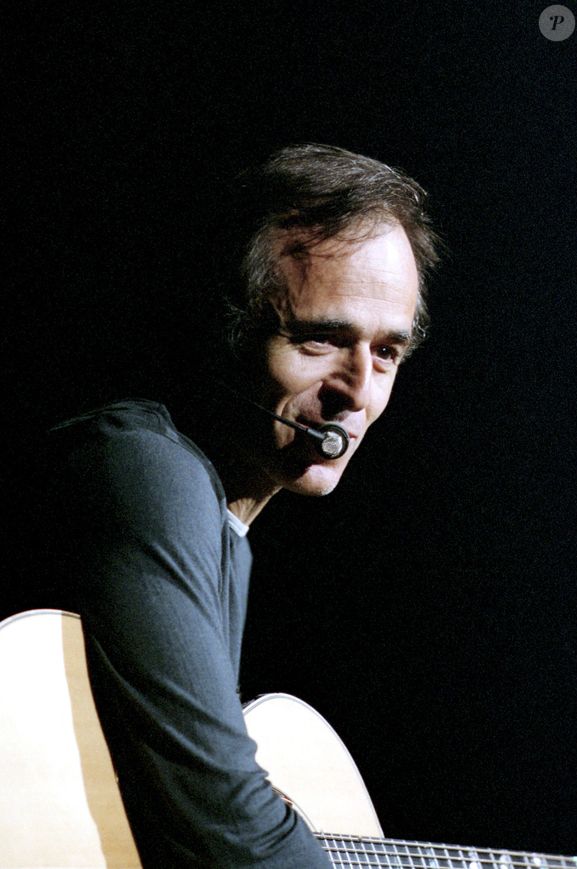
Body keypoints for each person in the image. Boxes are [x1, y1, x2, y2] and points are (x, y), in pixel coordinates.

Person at [39, 144, 438, 867]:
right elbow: (236, 835)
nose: (359, 391)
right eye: (322, 339)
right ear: (231, 329)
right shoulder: (151, 470)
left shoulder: (225, 523)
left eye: (387, 354)